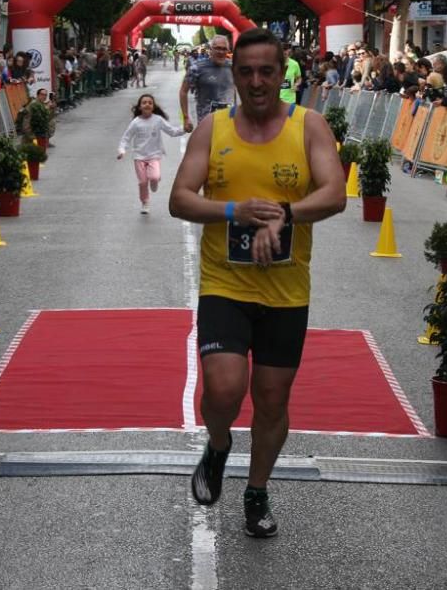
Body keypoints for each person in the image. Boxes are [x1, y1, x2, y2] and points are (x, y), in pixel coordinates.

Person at [169, 28, 346, 536]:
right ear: (234, 73)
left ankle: (257, 491)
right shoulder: (213, 129)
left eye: (266, 71)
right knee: (224, 388)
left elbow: (334, 193)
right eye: (246, 71)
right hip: (225, 283)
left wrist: (284, 216)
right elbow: (180, 198)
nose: (256, 81)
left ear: (281, 71)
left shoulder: (309, 126)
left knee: (272, 400)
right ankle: (220, 443)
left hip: (287, 290)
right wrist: (234, 210)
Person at [117, 94, 191, 214]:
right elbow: (126, 137)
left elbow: (171, 131)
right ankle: (145, 202)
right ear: (140, 107)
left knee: (154, 177)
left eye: (150, 103)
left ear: (153, 106)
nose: (147, 104)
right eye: (144, 102)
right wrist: (122, 150)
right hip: (139, 156)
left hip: (154, 155)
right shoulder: (136, 122)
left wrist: (184, 129)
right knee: (142, 182)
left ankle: (154, 181)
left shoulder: (158, 120)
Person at [179, 34, 235, 132]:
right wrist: (186, 118)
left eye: (224, 49)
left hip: (229, 122)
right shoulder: (197, 68)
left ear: (228, 50)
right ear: (211, 49)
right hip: (206, 123)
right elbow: (183, 91)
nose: (221, 52)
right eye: (217, 48)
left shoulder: (233, 67)